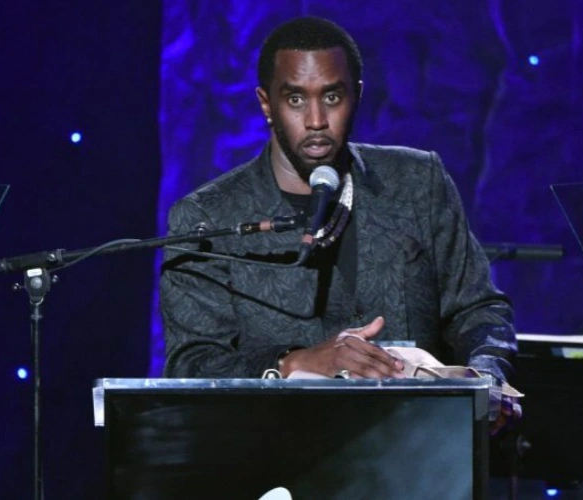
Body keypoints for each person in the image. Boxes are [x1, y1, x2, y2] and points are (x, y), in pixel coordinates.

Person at [160, 16, 517, 408]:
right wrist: (292, 362)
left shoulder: (418, 183)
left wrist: (486, 382)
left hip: (418, 447)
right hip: (278, 455)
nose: (316, 122)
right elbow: (191, 365)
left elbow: (478, 310)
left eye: (332, 97)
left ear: (357, 96)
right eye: (295, 99)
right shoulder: (207, 217)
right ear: (266, 103)